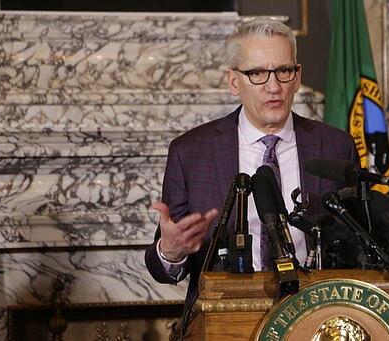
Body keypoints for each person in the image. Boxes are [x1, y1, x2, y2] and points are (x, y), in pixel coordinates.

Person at [145, 16, 358, 338]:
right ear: (233, 82)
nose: (273, 86)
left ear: (297, 77)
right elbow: (164, 269)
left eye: (283, 71)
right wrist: (171, 252)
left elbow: (355, 247)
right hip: (224, 320)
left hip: (315, 318)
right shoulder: (191, 152)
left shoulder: (334, 146)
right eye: (257, 73)